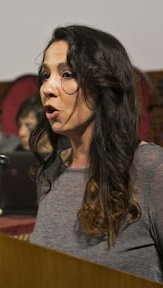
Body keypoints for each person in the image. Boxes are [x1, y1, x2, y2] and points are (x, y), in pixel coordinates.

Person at [28, 25, 163, 283]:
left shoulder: (151, 168)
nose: (48, 87)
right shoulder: (51, 171)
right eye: (44, 75)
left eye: (67, 74)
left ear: (103, 85)